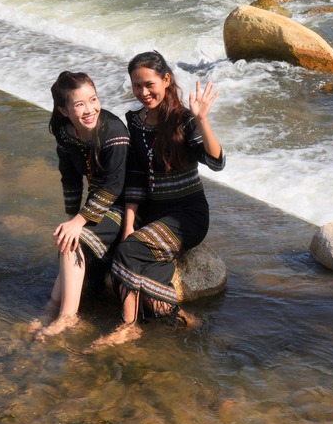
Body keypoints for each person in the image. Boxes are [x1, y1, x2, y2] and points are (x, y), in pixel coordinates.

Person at [91, 52, 225, 349]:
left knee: (129, 251)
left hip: (187, 215)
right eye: (137, 86)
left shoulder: (184, 120)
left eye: (149, 84)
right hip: (153, 213)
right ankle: (177, 315)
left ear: (166, 80)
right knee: (126, 248)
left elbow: (216, 162)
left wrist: (202, 119)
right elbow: (136, 177)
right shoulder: (135, 122)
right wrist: (129, 225)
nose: (143, 92)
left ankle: (128, 327)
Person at [31, 71, 130, 339]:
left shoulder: (114, 131)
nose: (90, 109)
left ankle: (67, 316)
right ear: (64, 110)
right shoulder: (64, 132)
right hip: (94, 205)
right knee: (68, 238)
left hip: (123, 207)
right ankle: (52, 308)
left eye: (93, 99)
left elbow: (114, 187)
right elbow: (71, 178)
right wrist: (71, 219)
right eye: (79, 104)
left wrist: (79, 222)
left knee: (74, 240)